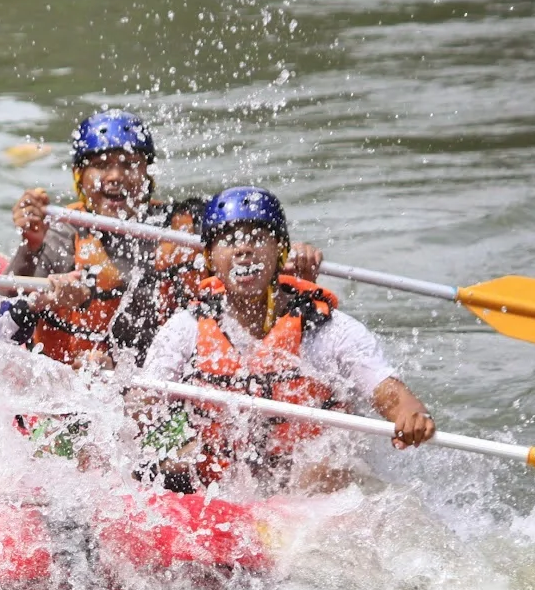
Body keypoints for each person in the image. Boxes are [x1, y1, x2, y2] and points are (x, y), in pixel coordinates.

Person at [137, 186, 435, 493]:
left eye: (257, 238)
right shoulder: (184, 328)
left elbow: (391, 394)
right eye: (229, 240)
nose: (243, 249)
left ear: (281, 250)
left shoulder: (331, 331)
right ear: (210, 259)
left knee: (324, 468)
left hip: (309, 486)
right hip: (225, 480)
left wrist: (410, 415)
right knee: (167, 466)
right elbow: (142, 405)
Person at [0, 109, 323, 368]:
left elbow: (247, 274)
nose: (115, 177)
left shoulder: (186, 227)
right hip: (84, 384)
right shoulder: (62, 231)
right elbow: (7, 305)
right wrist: (31, 246)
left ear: (147, 173)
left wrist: (287, 265)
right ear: (80, 177)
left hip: (169, 378)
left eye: (128, 164)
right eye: (100, 166)